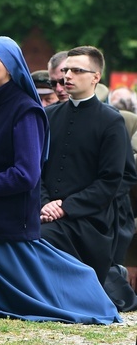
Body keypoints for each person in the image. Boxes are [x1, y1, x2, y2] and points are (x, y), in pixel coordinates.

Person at [0, 36, 120, 324]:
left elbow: (27, 174)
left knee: (27, 294)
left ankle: (89, 295)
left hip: (8, 217)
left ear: (11, 67)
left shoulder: (25, 110)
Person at [40, 46, 132, 286]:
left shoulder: (111, 121)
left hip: (89, 220)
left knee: (39, 238)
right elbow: (36, 169)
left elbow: (111, 180)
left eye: (77, 70)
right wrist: (45, 204)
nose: (67, 76)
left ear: (96, 77)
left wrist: (65, 207)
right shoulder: (48, 116)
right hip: (45, 211)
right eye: (66, 70)